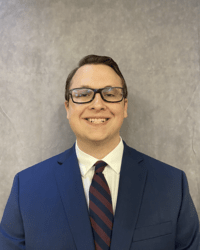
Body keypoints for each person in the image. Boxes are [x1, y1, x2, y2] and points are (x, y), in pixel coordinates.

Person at [0, 54, 199, 250]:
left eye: (110, 94)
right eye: (83, 94)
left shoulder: (172, 184)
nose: (97, 104)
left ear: (125, 106)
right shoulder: (26, 188)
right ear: (68, 108)